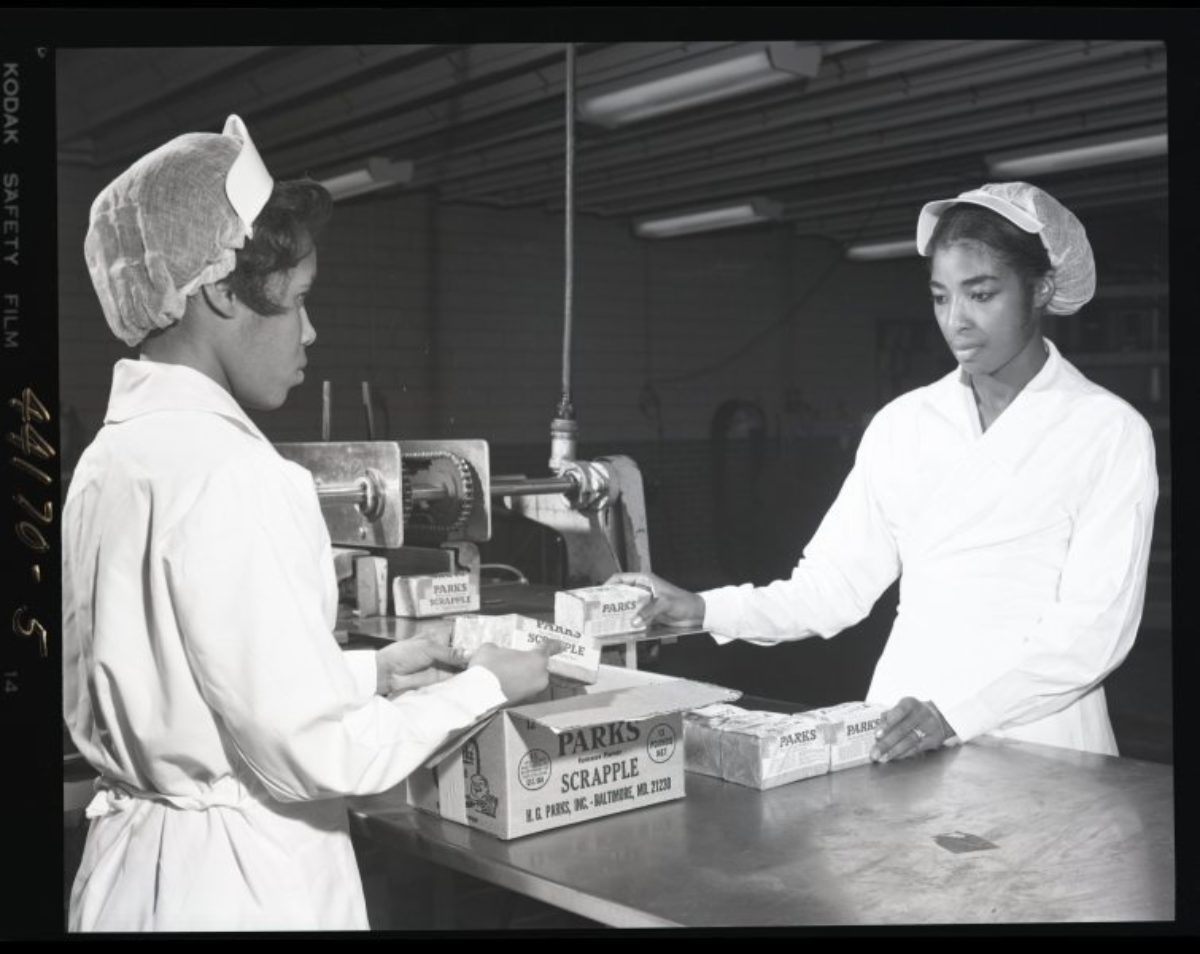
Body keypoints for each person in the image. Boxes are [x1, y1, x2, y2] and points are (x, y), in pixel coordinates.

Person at [62, 115, 551, 932]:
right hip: (241, 890)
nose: (310, 332)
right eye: (297, 302)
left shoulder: (108, 461)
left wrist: (373, 672)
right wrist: (487, 685)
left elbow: (194, 684)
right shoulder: (240, 474)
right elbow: (318, 756)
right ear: (219, 289)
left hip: (129, 881)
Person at [613, 182, 1157, 764]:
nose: (957, 321)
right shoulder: (906, 424)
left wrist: (955, 716)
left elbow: (1094, 629)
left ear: (1041, 288)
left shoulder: (1104, 430)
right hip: (903, 728)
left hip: (1042, 741)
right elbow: (831, 588)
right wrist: (702, 608)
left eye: (982, 294)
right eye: (941, 297)